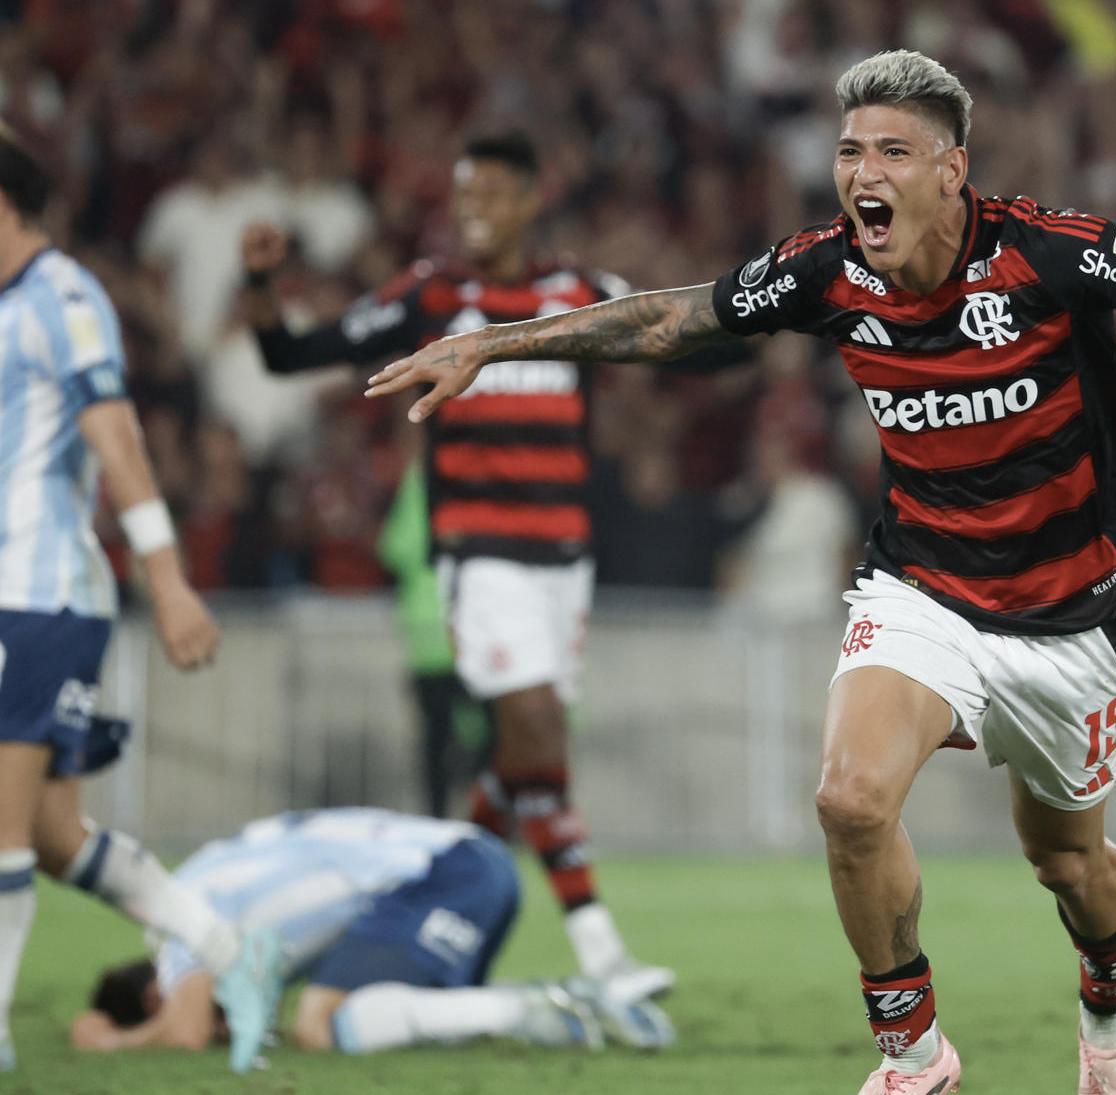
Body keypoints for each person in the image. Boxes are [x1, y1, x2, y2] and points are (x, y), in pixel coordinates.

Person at [364, 51, 1116, 1094]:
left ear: (951, 171)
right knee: (849, 797)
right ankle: (914, 1055)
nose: (862, 172)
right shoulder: (825, 273)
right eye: (850, 150)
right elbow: (675, 321)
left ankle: (1115, 994)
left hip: (1066, 618)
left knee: (1069, 863)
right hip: (922, 592)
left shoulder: (1047, 253)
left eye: (893, 152)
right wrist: (493, 344)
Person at [239, 131, 674, 1046]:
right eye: (461, 193)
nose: (470, 208)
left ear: (527, 199)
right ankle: (604, 955)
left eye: (487, 194)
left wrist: (778, 313)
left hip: (565, 561)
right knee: (536, 730)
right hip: (479, 556)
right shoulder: (431, 294)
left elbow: (686, 342)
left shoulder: (581, 295)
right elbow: (292, 354)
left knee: (521, 766)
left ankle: (443, 888)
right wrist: (263, 290)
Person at [0, 123, 277, 1075]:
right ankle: (237, 952)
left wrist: (165, 578)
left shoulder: (64, 297)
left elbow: (116, 438)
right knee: (49, 832)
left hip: (38, 593)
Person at [71, 807, 611, 1059]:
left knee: (322, 1024)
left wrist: (110, 1040)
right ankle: (552, 1009)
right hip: (469, 858)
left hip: (436, 877)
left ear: (153, 994)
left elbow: (183, 1033)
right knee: (398, 1017)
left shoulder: (178, 930)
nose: (224, 1030)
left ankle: (555, 1004)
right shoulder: (209, 865)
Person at [379, 457, 492, 818]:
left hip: (439, 639)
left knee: (442, 741)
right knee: (481, 735)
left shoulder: (422, 477)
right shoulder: (482, 476)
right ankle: (477, 822)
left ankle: (445, 821)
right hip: (467, 639)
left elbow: (394, 547)